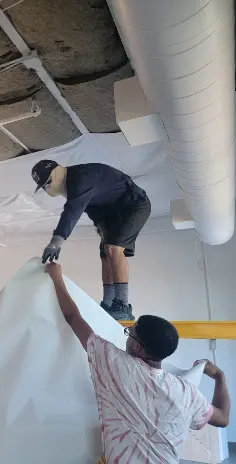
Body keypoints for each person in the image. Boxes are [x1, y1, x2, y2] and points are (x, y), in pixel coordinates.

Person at [45, 262, 230, 464]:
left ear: (138, 348)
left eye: (129, 333)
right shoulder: (187, 392)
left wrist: (57, 278)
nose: (127, 334)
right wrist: (220, 377)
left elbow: (72, 317)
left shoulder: (114, 363)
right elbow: (222, 418)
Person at [32, 160, 151, 321]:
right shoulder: (73, 187)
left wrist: (56, 241)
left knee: (113, 248)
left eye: (47, 184)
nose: (47, 190)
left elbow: (72, 210)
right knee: (105, 253)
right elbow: (92, 210)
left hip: (133, 205)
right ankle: (108, 303)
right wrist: (102, 228)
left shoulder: (81, 178)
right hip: (111, 212)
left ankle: (122, 304)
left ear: (55, 174)